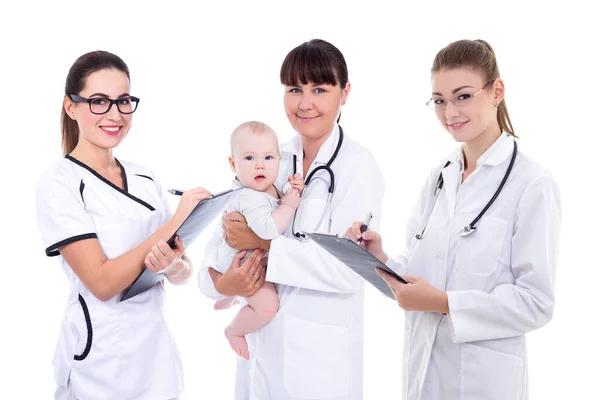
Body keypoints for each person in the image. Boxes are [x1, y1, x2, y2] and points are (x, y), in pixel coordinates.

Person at [345, 39, 561, 400]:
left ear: (497, 92)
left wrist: (445, 303)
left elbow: (536, 303)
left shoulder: (532, 183)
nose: (450, 112)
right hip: (422, 378)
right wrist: (380, 258)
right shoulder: (440, 176)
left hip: (484, 383)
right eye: (440, 100)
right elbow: (420, 278)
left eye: (463, 96)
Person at [198, 39, 385, 400]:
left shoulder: (359, 168)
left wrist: (266, 244)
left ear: (344, 93)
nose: (304, 103)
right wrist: (222, 285)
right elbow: (222, 243)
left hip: (319, 366)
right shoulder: (267, 156)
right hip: (258, 355)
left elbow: (349, 268)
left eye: (319, 88)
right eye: (294, 89)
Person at [35, 50, 210, 400]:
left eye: (124, 101)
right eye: (99, 102)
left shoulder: (145, 177)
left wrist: (174, 265)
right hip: (100, 360)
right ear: (72, 107)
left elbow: (181, 269)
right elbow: (101, 282)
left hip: (156, 354)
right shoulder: (59, 183)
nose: (115, 114)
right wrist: (176, 220)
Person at [209, 120, 304, 360]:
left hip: (243, 259)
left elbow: (273, 196)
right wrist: (289, 204)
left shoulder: (265, 188)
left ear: (279, 160)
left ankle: (231, 296)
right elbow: (269, 229)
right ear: (233, 163)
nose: (260, 165)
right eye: (249, 159)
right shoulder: (249, 198)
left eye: (269, 158)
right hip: (244, 266)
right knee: (267, 306)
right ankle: (233, 330)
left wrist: (289, 188)